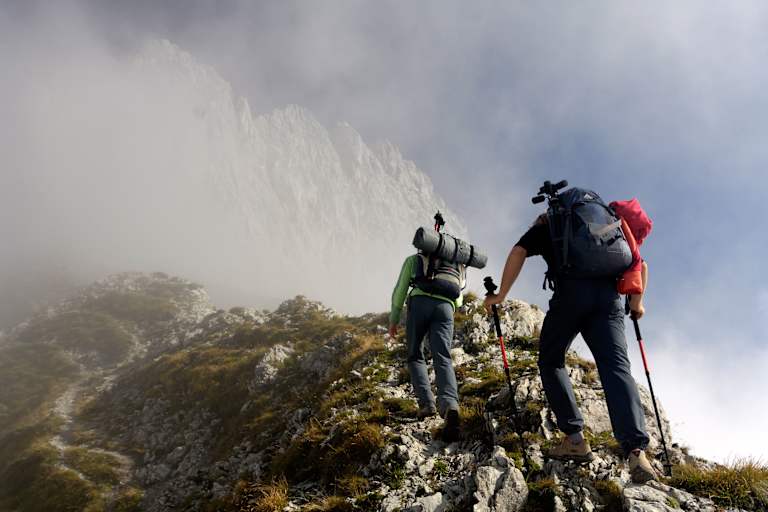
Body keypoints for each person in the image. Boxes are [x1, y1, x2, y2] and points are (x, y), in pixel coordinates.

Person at [484, 213, 657, 484]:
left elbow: (518, 251)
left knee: (551, 361)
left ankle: (575, 440)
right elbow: (640, 264)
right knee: (616, 368)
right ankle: (636, 451)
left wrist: (501, 294)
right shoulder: (603, 226)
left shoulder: (549, 226)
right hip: (608, 300)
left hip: (571, 296)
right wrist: (637, 304)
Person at [389, 251, 465, 442]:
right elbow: (459, 298)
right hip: (446, 307)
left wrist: (394, 318)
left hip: (420, 302)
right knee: (443, 357)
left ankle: (427, 405)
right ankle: (450, 405)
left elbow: (400, 289)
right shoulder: (457, 265)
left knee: (415, 354)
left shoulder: (415, 258)